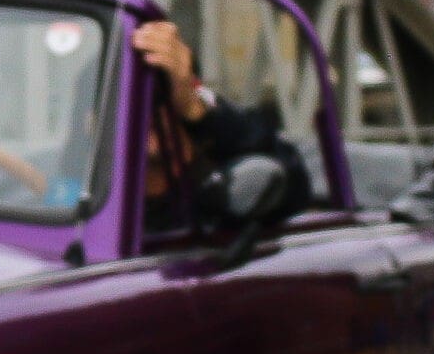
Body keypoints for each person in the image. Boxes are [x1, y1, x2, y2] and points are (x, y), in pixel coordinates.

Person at [130, 17, 312, 222]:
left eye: (160, 90)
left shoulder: (220, 185)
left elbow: (293, 183)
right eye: (130, 94)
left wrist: (196, 108)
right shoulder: (98, 198)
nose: (148, 109)